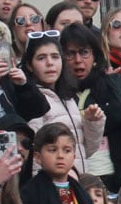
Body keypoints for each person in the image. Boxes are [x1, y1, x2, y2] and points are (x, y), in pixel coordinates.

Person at [64, 22, 121, 190]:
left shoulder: (115, 86)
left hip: (117, 178)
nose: (78, 60)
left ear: (95, 56)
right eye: (70, 54)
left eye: (84, 52)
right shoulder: (57, 92)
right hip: (74, 179)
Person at [25, 29, 107, 177]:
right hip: (52, 185)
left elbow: (86, 150)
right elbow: (35, 159)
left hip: (78, 182)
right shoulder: (31, 100)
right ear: (29, 65)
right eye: (41, 58)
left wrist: (92, 122)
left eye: (55, 57)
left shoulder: (69, 98)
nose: (50, 63)